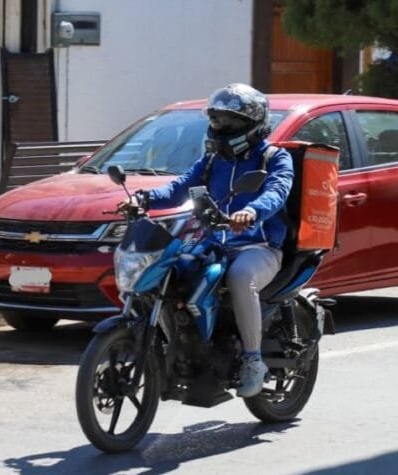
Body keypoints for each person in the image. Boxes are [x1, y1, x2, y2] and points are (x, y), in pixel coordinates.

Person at [123, 83, 294, 397]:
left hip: (259, 247)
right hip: (214, 244)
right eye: (217, 120)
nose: (221, 127)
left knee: (240, 276)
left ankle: (253, 360)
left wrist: (252, 211)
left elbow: (277, 191)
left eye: (230, 121)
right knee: (170, 270)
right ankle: (179, 344)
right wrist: (143, 199)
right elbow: (179, 187)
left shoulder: (273, 157)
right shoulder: (213, 160)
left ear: (253, 124)